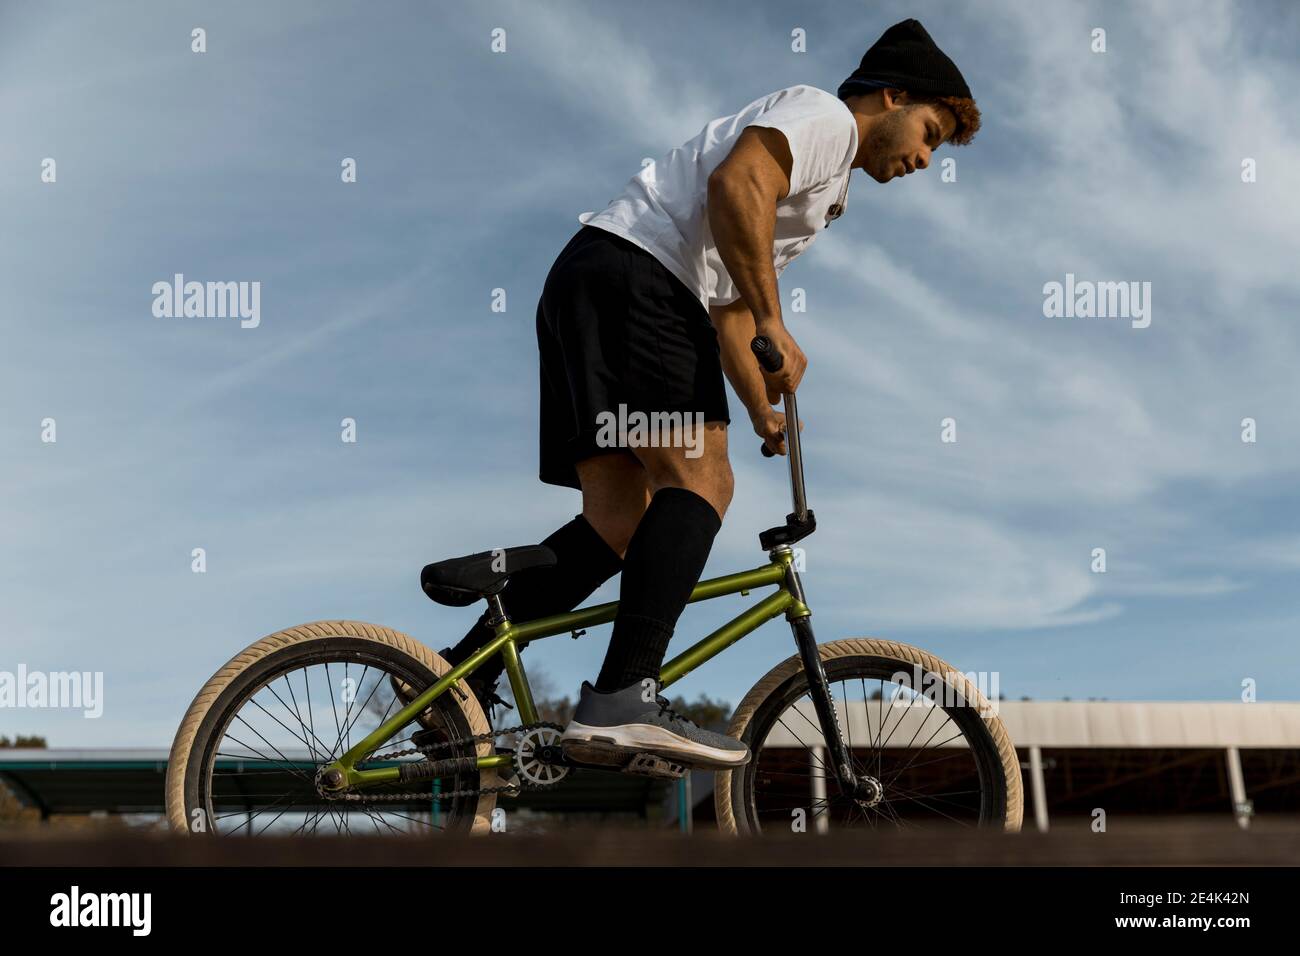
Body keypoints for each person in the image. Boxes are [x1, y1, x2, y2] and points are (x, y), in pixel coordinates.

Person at [440, 18, 981, 769]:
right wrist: (774, 318)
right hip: (641, 278)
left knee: (619, 520)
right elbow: (739, 183)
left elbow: (726, 300)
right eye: (929, 131)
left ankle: (453, 679)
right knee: (703, 479)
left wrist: (757, 397)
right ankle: (623, 697)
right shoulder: (824, 118)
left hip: (596, 283)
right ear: (890, 96)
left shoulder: (829, 196)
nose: (927, 157)